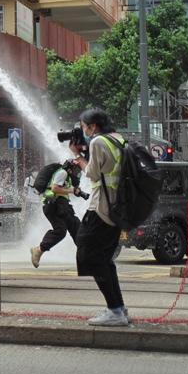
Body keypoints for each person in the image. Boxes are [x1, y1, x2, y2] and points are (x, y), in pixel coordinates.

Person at [72, 109, 130, 326]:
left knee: (89, 255)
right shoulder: (118, 139)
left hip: (101, 208)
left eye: (84, 127)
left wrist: (78, 157)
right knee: (104, 259)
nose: (83, 131)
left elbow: (92, 174)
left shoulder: (97, 142)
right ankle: (119, 308)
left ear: (93, 126)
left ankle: (115, 311)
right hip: (117, 209)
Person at [29, 153, 84, 269]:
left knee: (76, 227)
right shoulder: (62, 172)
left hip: (62, 206)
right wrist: (72, 190)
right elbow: (55, 188)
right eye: (77, 170)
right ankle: (38, 250)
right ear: (71, 168)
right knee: (61, 231)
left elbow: (63, 189)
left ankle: (87, 256)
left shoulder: (67, 177)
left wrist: (77, 191)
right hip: (53, 205)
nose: (78, 173)